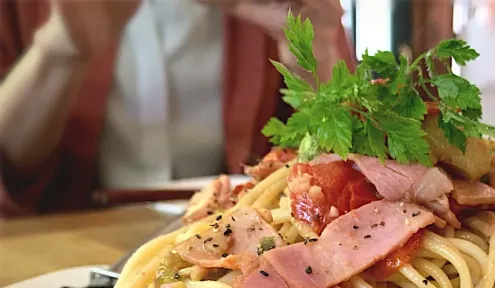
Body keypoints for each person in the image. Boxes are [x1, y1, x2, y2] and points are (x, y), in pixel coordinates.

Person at [0, 0, 352, 217]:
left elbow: (351, 165)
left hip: (240, 242)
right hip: (60, 243)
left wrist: (315, 55)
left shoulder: (293, 5)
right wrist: (60, 51)